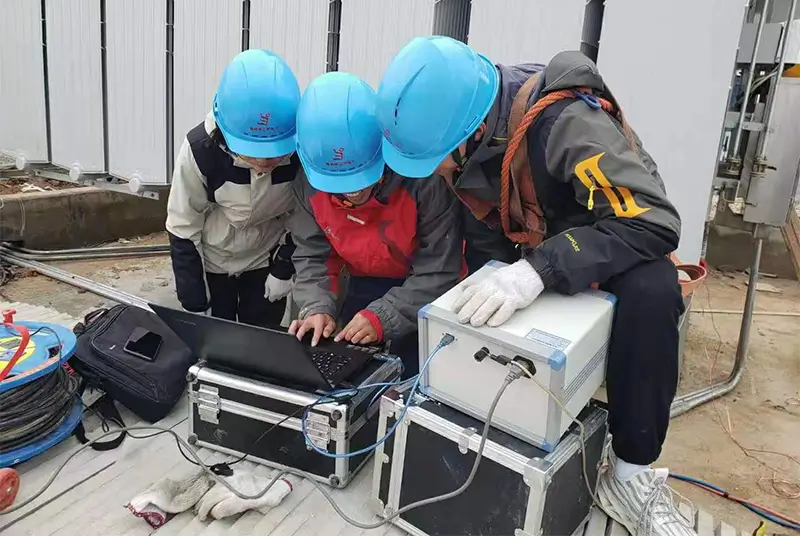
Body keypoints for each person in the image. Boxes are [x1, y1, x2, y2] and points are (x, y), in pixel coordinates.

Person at [374, 36, 691, 536]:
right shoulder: (471, 139)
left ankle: (630, 473)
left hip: (616, 237)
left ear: (472, 130)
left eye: (437, 157)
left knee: (653, 294)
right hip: (545, 246)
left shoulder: (566, 126)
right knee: (482, 307)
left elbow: (654, 223)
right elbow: (487, 236)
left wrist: (536, 271)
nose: (435, 171)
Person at [287, 71, 463, 377]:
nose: (351, 193)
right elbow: (312, 255)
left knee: (416, 382)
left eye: (360, 179)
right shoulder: (309, 183)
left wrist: (384, 316)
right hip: (363, 280)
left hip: (427, 290)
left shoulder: (425, 181)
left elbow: (440, 269)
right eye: (338, 184)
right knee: (356, 375)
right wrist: (315, 307)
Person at [166, 49, 300, 328]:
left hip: (266, 258)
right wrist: (194, 302)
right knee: (217, 346)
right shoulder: (201, 150)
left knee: (263, 342)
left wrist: (284, 268)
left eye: (274, 153)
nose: (264, 163)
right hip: (214, 260)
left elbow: (302, 219)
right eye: (254, 153)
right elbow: (182, 225)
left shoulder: (300, 153)